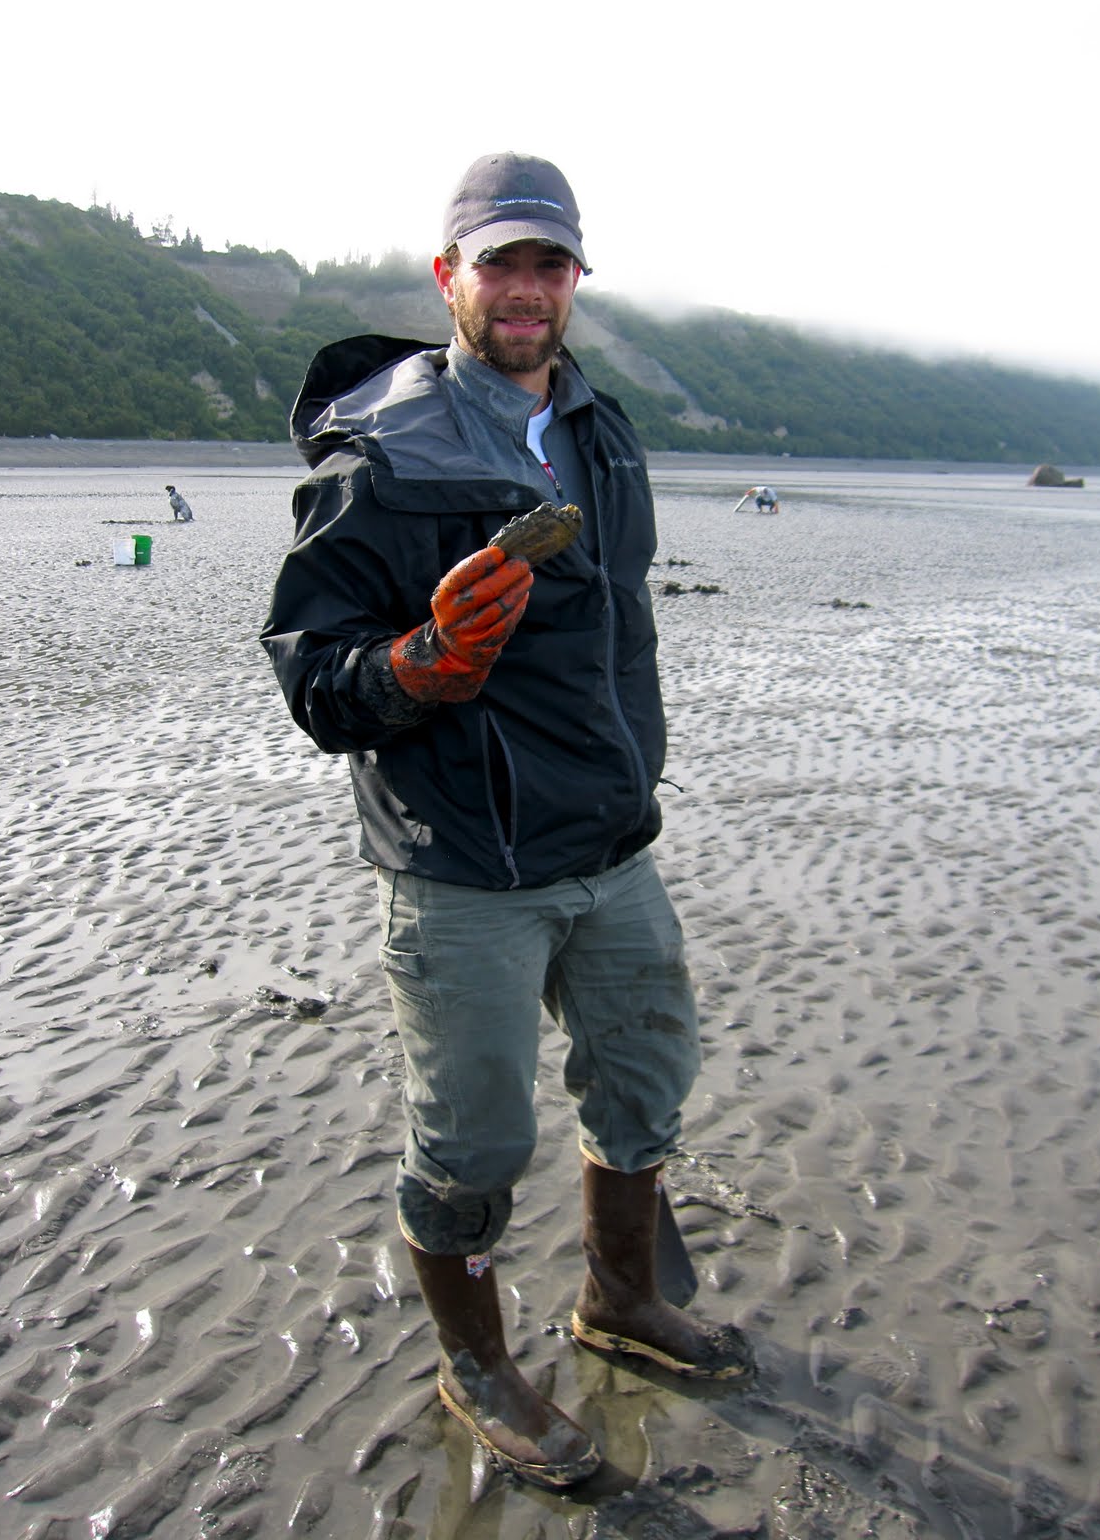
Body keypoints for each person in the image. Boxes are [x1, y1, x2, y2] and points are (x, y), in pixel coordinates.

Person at [260, 153, 753, 1489]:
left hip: (611, 843)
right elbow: (315, 676)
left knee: (647, 1081)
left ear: (575, 280)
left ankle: (617, 1300)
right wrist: (418, 665)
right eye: (501, 264)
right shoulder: (387, 459)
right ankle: (476, 1363)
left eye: (551, 264)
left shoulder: (599, 426)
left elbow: (630, 627)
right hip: (466, 869)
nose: (527, 290)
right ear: (450, 278)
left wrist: (636, 768)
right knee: (474, 1141)